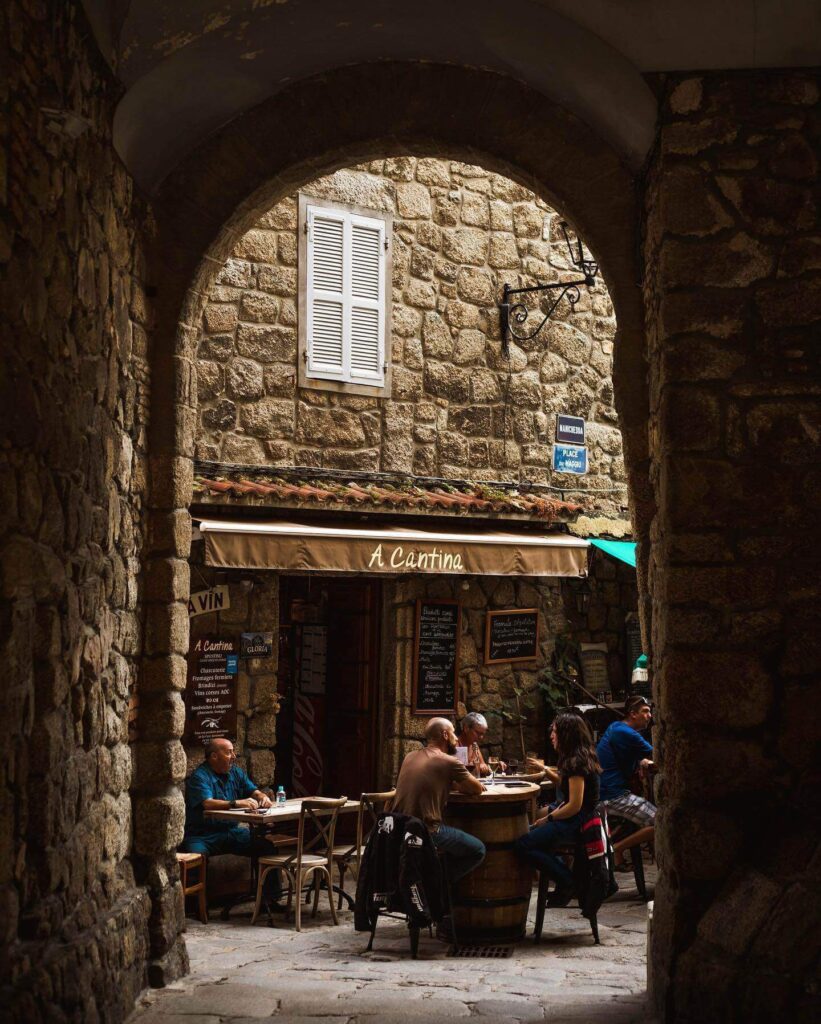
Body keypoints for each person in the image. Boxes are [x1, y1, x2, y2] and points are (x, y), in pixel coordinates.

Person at [515, 713, 602, 906]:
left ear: (566, 734)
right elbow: (566, 784)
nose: (551, 735)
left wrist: (549, 819)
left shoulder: (577, 762)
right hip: (577, 816)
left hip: (578, 820)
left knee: (523, 844)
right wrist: (546, 769)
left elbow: (574, 805)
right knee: (530, 835)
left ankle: (568, 881)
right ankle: (564, 885)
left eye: (555, 731)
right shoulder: (578, 755)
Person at [391, 717, 486, 884]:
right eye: (453, 733)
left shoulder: (410, 756)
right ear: (444, 734)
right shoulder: (448, 761)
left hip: (399, 828)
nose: (456, 738)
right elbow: (476, 788)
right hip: (427, 830)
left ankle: (428, 877)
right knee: (478, 850)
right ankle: (436, 884)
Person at [183, 737, 273, 857]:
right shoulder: (199, 777)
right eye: (229, 752)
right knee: (196, 858)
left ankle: (263, 876)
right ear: (214, 756)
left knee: (266, 847)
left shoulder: (235, 772)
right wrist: (235, 803)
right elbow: (207, 803)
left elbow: (253, 791)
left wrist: (262, 796)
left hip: (231, 832)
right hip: (203, 836)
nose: (234, 756)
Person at [596, 696, 655, 867]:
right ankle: (617, 849)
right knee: (660, 822)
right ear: (632, 714)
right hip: (612, 796)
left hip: (604, 792)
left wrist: (640, 761)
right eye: (645, 711)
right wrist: (645, 760)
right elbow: (658, 755)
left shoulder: (616, 727)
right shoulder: (627, 733)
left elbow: (625, 756)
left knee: (643, 819)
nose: (649, 715)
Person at [456, 712, 506, 776]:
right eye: (478, 733)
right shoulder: (455, 745)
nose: (481, 737)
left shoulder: (474, 745)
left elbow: (482, 766)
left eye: (483, 734)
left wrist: (496, 766)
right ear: (466, 728)